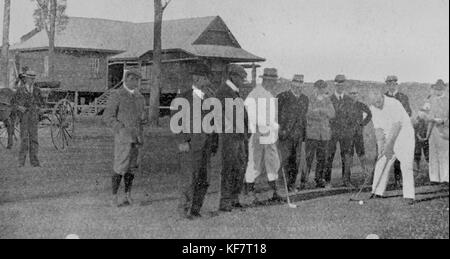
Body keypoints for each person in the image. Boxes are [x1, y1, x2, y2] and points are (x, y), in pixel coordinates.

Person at [173, 64, 219, 220]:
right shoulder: (183, 98)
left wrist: (214, 143)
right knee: (189, 178)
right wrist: (183, 141)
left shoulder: (210, 99)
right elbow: (176, 122)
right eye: (206, 79)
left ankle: (195, 209)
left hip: (206, 145)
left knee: (204, 179)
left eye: (208, 79)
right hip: (191, 145)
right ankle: (183, 210)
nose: (208, 82)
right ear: (198, 79)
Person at [103, 69, 147, 207]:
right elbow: (107, 116)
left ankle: (128, 195)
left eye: (137, 80)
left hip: (137, 138)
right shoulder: (117, 95)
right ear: (126, 79)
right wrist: (119, 128)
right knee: (120, 166)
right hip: (123, 138)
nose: (136, 82)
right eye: (133, 79)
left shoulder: (140, 97)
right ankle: (114, 197)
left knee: (131, 168)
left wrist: (143, 121)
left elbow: (142, 116)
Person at [367, 89, 415, 205]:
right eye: (374, 102)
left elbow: (397, 125)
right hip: (389, 135)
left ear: (382, 97)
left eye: (378, 101)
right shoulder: (373, 108)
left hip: (404, 135)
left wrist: (388, 145)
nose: (377, 104)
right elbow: (378, 129)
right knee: (381, 161)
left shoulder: (393, 103)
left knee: (406, 164)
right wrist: (380, 147)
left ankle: (409, 195)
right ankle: (377, 191)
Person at [244, 68, 282, 204]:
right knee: (255, 162)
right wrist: (265, 125)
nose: (273, 83)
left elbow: (272, 116)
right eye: (272, 81)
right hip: (257, 133)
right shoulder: (255, 94)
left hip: (269, 134)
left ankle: (275, 192)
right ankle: (250, 193)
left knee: (272, 161)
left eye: (274, 81)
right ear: (265, 80)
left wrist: (274, 126)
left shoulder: (269, 94)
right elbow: (249, 113)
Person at [215, 64, 249, 212]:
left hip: (240, 135)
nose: (242, 81)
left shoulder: (235, 91)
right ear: (233, 77)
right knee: (229, 167)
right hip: (231, 136)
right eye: (241, 78)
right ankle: (225, 201)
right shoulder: (224, 91)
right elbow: (219, 114)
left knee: (240, 166)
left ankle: (234, 198)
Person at [277, 74, 309, 193]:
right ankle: (282, 186)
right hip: (285, 135)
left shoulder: (305, 99)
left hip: (299, 135)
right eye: (296, 82)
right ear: (291, 83)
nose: (298, 85)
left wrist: (304, 135)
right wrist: (280, 130)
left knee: (296, 161)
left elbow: (304, 117)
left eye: (301, 83)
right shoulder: (282, 96)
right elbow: (277, 115)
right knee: (284, 160)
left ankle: (291, 185)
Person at [302, 80, 335, 189]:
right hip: (312, 133)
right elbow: (308, 113)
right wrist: (321, 112)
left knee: (322, 158)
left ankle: (319, 179)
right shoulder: (309, 99)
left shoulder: (327, 99)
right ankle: (304, 181)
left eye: (323, 88)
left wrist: (320, 110)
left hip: (324, 134)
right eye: (319, 88)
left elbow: (332, 114)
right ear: (315, 88)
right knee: (308, 158)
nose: (321, 90)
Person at [326, 75, 356, 188]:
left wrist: (350, 131)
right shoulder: (329, 99)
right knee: (329, 156)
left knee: (347, 156)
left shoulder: (349, 100)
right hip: (332, 132)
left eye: (342, 84)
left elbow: (352, 117)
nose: (340, 86)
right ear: (334, 85)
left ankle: (347, 180)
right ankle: (327, 181)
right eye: (337, 84)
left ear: (345, 85)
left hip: (346, 133)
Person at [385, 75, 412, 188]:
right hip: (387, 129)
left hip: (399, 130)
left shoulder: (403, 97)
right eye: (389, 84)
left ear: (396, 84)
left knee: (398, 155)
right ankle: (381, 180)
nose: (391, 86)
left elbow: (408, 112)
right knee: (383, 153)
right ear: (387, 85)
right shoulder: (384, 97)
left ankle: (398, 179)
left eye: (393, 84)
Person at [11, 71, 43, 167]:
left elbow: (41, 103)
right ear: (26, 79)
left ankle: (35, 162)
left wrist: (38, 108)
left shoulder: (37, 90)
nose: (32, 80)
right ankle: (21, 162)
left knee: (34, 139)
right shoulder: (20, 90)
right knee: (24, 139)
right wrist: (19, 107)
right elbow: (13, 103)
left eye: (34, 78)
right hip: (24, 117)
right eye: (30, 78)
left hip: (33, 116)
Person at [426, 79, 449, 185]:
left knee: (444, 154)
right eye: (436, 89)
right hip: (433, 129)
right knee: (433, 153)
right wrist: (431, 118)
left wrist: (444, 121)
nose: (438, 91)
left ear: (444, 89)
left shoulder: (448, 100)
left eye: (440, 89)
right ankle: (434, 178)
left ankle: (445, 178)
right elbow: (423, 113)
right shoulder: (431, 100)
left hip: (444, 129)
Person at [348, 86, 372, 174]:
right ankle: (348, 174)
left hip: (358, 133)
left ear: (357, 95)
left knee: (361, 152)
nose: (353, 95)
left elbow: (369, 114)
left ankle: (365, 171)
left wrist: (363, 124)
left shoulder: (360, 105)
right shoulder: (345, 104)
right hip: (348, 134)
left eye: (355, 93)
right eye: (351, 93)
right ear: (349, 95)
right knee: (349, 153)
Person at [413, 104, 430, 172]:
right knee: (417, 153)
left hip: (425, 138)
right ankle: (418, 167)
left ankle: (430, 166)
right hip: (418, 139)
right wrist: (418, 136)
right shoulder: (417, 119)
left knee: (427, 153)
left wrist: (426, 137)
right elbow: (415, 129)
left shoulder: (428, 120)